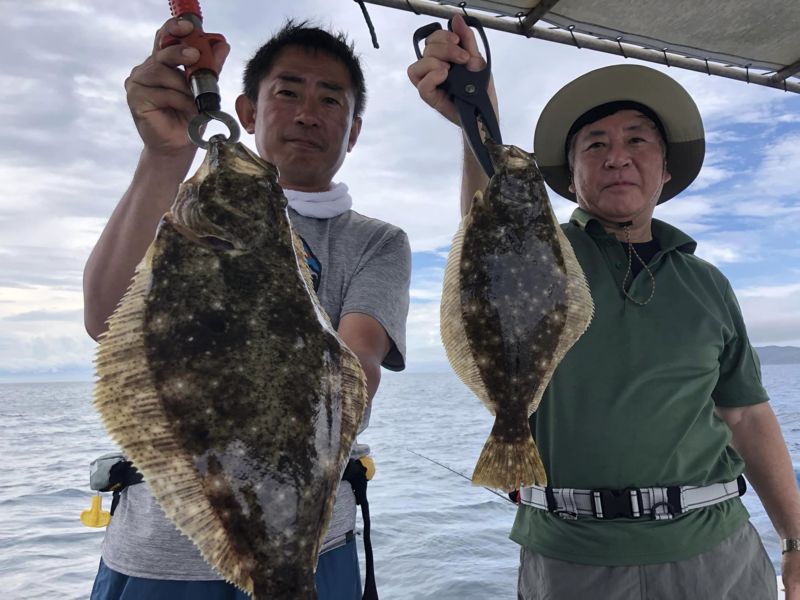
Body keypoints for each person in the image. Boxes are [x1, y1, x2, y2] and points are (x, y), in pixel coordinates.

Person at [408, 14, 800, 600]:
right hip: (571, 558)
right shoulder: (546, 252)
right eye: (596, 144)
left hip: (719, 551)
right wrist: (476, 118)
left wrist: (795, 541)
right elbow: (485, 238)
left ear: (666, 170)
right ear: (572, 175)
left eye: (637, 140)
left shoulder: (710, 284)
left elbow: (747, 416)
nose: (618, 156)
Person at [84, 17, 411, 600]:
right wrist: (165, 157)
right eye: (287, 92)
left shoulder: (376, 242)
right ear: (247, 110)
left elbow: (357, 371)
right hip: (157, 561)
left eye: (329, 99)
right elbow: (106, 319)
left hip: (313, 551)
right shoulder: (172, 215)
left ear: (353, 130)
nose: (308, 113)